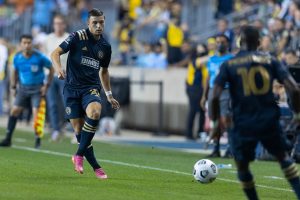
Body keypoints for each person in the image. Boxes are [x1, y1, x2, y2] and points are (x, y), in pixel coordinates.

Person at [211, 25, 300, 200]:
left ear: (239, 42)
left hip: (242, 122)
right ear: (258, 43)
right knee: (284, 160)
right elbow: (294, 89)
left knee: (242, 166)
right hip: (268, 120)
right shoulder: (271, 61)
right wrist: (297, 115)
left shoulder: (229, 64)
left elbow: (214, 96)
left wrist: (216, 123)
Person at [51, 8, 120, 179]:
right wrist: (59, 69)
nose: (98, 26)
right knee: (79, 131)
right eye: (94, 23)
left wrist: (109, 94)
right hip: (72, 89)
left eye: (101, 22)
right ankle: (96, 166)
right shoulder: (77, 37)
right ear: (88, 23)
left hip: (91, 88)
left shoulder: (105, 46)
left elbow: (104, 71)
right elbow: (55, 53)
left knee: (95, 111)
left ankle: (79, 155)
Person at [0, 34, 54, 148]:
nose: (26, 45)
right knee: (14, 111)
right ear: (21, 44)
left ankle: (37, 140)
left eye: (29, 43)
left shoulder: (39, 57)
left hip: (37, 89)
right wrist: (14, 87)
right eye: (24, 42)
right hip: (23, 89)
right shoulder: (17, 57)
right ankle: (8, 138)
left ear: (32, 44)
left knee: (36, 114)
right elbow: (15, 71)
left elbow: (51, 68)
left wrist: (46, 85)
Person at [201, 34, 233, 157]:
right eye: (218, 42)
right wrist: (204, 95)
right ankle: (216, 148)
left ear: (228, 44)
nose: (219, 44)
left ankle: (230, 147)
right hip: (213, 90)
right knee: (214, 120)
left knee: (225, 119)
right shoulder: (211, 59)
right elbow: (208, 77)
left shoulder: (231, 58)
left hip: (226, 90)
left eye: (223, 42)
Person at [43, 14, 69, 141]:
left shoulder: (69, 38)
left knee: (67, 103)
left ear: (64, 25)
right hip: (50, 76)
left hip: (65, 76)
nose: (58, 26)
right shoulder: (48, 38)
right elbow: (45, 57)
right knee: (52, 104)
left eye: (60, 23)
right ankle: (56, 130)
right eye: (56, 23)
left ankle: (71, 128)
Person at [185, 43, 208, 140]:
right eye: (199, 48)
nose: (201, 49)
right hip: (193, 88)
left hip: (202, 88)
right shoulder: (194, 60)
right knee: (193, 110)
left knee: (202, 111)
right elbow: (200, 62)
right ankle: (189, 133)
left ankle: (200, 132)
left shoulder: (205, 60)